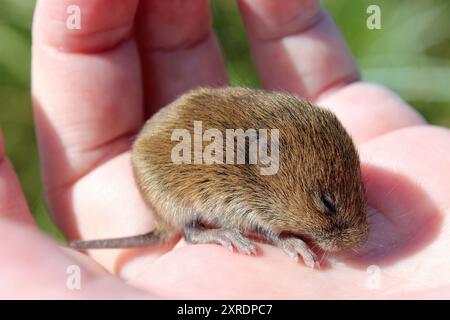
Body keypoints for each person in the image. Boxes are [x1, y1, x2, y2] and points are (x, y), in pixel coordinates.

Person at [1, 0, 449, 298]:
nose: (350, 232)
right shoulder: (255, 174)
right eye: (328, 206)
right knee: (205, 205)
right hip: (165, 169)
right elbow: (249, 209)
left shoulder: (293, 152)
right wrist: (281, 234)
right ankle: (196, 231)